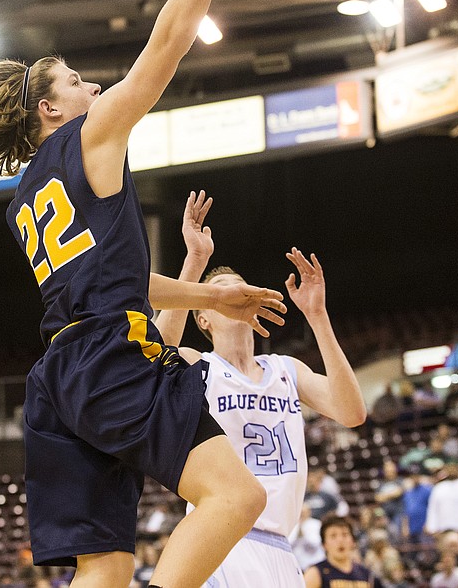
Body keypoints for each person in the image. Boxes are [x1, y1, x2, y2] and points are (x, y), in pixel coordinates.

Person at [0, 0, 283, 588]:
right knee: (236, 496)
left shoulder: (24, 201)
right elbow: (165, 47)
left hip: (58, 381)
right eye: (75, 81)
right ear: (48, 109)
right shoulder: (88, 138)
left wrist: (210, 297)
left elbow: (119, 279)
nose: (94, 88)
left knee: (104, 568)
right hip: (109, 358)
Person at [154, 192, 367, 587]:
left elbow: (352, 412)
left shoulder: (285, 370)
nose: (237, 293)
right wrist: (195, 261)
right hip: (223, 538)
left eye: (242, 288)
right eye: (223, 291)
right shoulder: (199, 366)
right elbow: (152, 354)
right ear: (203, 317)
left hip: (280, 547)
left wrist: (318, 316)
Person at [305, 515, 384, 588]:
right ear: (324, 544)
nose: (340, 540)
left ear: (353, 542)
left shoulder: (367, 575)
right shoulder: (315, 573)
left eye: (345, 534)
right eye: (333, 536)